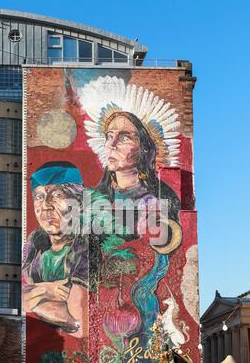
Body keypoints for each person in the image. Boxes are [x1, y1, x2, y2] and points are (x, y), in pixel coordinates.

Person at [95, 111, 182, 252]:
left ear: (144, 148)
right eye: (109, 136)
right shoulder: (95, 199)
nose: (112, 144)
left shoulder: (163, 197)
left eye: (123, 138)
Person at [22, 161, 88, 337]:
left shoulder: (88, 244)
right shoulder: (34, 245)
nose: (46, 205)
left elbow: (79, 323)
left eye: (57, 194)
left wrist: (30, 300)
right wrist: (45, 290)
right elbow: (17, 298)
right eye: (39, 196)